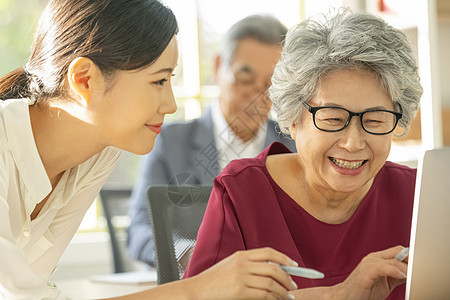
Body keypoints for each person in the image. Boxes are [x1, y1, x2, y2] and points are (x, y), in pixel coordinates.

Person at [0, 0, 299, 299]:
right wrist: (201, 286)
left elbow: (35, 291)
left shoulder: (97, 154)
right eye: (159, 80)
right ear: (84, 79)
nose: (171, 104)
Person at [184, 9, 423, 300]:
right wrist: (340, 294)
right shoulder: (242, 193)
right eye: (333, 118)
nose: (352, 143)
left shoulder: (419, 196)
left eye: (375, 121)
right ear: (293, 119)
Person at [127, 14, 296, 266]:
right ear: (218, 67)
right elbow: (141, 230)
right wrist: (190, 254)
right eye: (245, 77)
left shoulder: (294, 147)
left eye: (270, 85)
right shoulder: (171, 143)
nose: (257, 97)